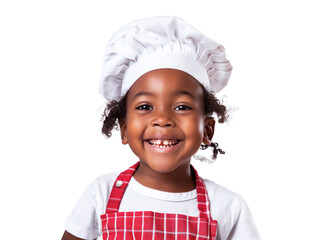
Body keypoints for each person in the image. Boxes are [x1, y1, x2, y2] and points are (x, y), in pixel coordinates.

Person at [62, 16, 261, 240]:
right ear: (125, 129)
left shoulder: (228, 207)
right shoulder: (101, 193)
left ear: (207, 130)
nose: (162, 119)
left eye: (182, 106)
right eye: (145, 106)